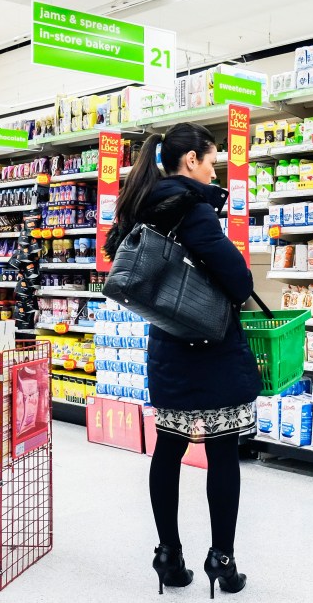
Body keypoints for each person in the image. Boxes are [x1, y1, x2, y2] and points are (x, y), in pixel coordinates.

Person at [104, 122, 261, 597]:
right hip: (211, 349)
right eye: (212, 161)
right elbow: (237, 279)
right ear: (190, 160)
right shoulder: (192, 208)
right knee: (222, 452)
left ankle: (168, 555)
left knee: (168, 450)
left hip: (169, 344)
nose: (214, 170)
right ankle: (224, 561)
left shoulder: (141, 205)